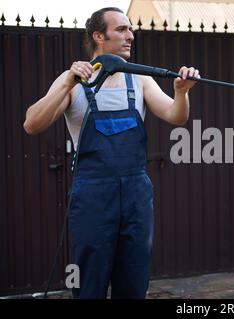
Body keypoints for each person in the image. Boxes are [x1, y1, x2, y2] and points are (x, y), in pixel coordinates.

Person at [23, 7, 199, 299]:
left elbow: (175, 116)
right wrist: (67, 82)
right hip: (92, 197)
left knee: (133, 280)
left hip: (136, 197)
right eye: (121, 30)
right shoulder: (74, 82)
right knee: (88, 282)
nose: (130, 35)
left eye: (130, 29)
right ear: (98, 36)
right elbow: (31, 123)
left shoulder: (139, 80)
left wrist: (182, 93)